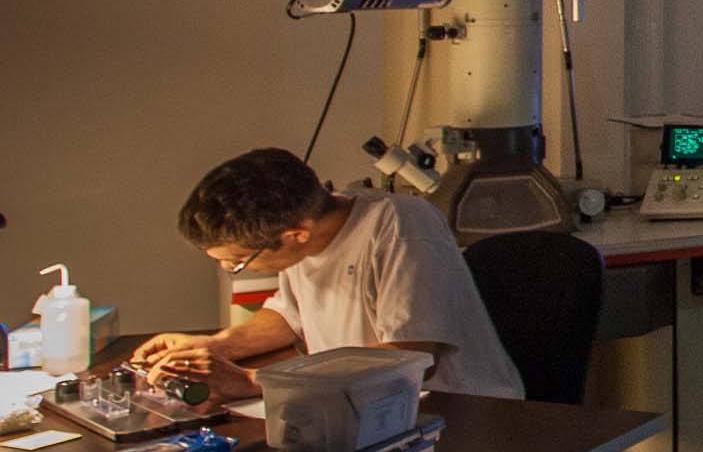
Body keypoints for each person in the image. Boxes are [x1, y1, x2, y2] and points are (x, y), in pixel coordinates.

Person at [132, 148, 526, 400]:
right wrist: (216, 347)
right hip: (354, 403)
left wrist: (254, 381)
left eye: (236, 263)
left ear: (296, 234)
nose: (227, 269)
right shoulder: (305, 237)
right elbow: (288, 317)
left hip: (455, 412)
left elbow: (409, 359)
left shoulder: (399, 227)